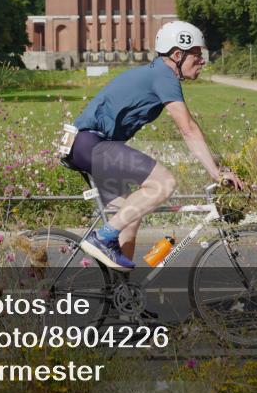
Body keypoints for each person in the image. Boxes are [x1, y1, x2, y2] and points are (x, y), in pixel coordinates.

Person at [67, 21, 246, 271]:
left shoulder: (157, 74)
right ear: (177, 55)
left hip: (85, 146)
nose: (202, 60)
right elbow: (188, 129)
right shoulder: (164, 74)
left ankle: (123, 302)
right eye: (197, 53)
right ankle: (102, 237)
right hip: (91, 144)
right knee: (164, 183)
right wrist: (215, 172)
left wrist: (217, 166)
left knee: (129, 218)